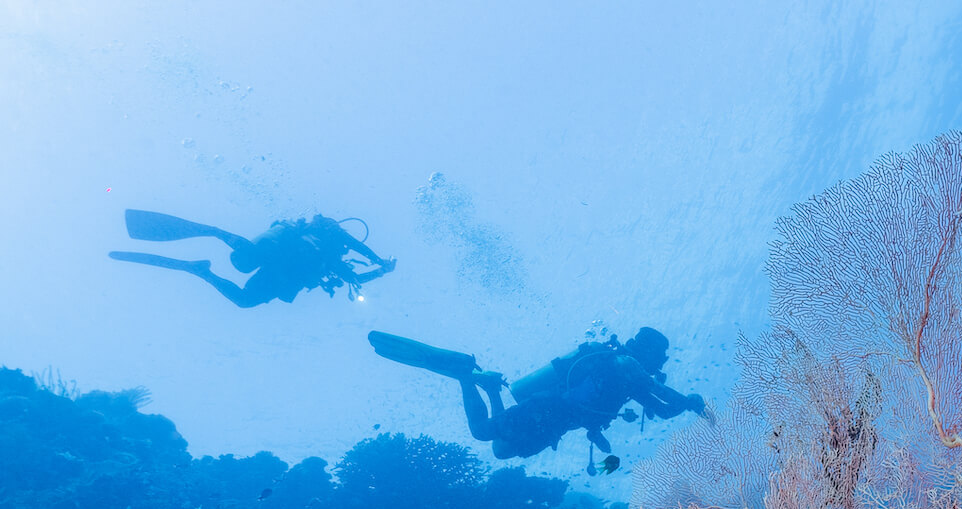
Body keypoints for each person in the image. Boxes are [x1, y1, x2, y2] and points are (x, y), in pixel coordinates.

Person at [369, 326, 706, 460]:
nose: (658, 364)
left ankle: (485, 385)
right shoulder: (629, 366)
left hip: (554, 417)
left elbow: (660, 409)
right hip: (551, 412)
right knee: (483, 433)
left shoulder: (626, 372)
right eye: (658, 357)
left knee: (501, 450)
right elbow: (665, 399)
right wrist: (690, 401)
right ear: (647, 352)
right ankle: (463, 375)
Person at [110, 209, 394, 306]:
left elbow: (355, 275)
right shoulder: (333, 239)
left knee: (244, 295)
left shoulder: (327, 252)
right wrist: (381, 265)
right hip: (279, 260)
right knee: (244, 270)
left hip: (280, 267)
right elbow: (357, 254)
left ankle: (202, 266)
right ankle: (212, 239)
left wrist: (380, 268)